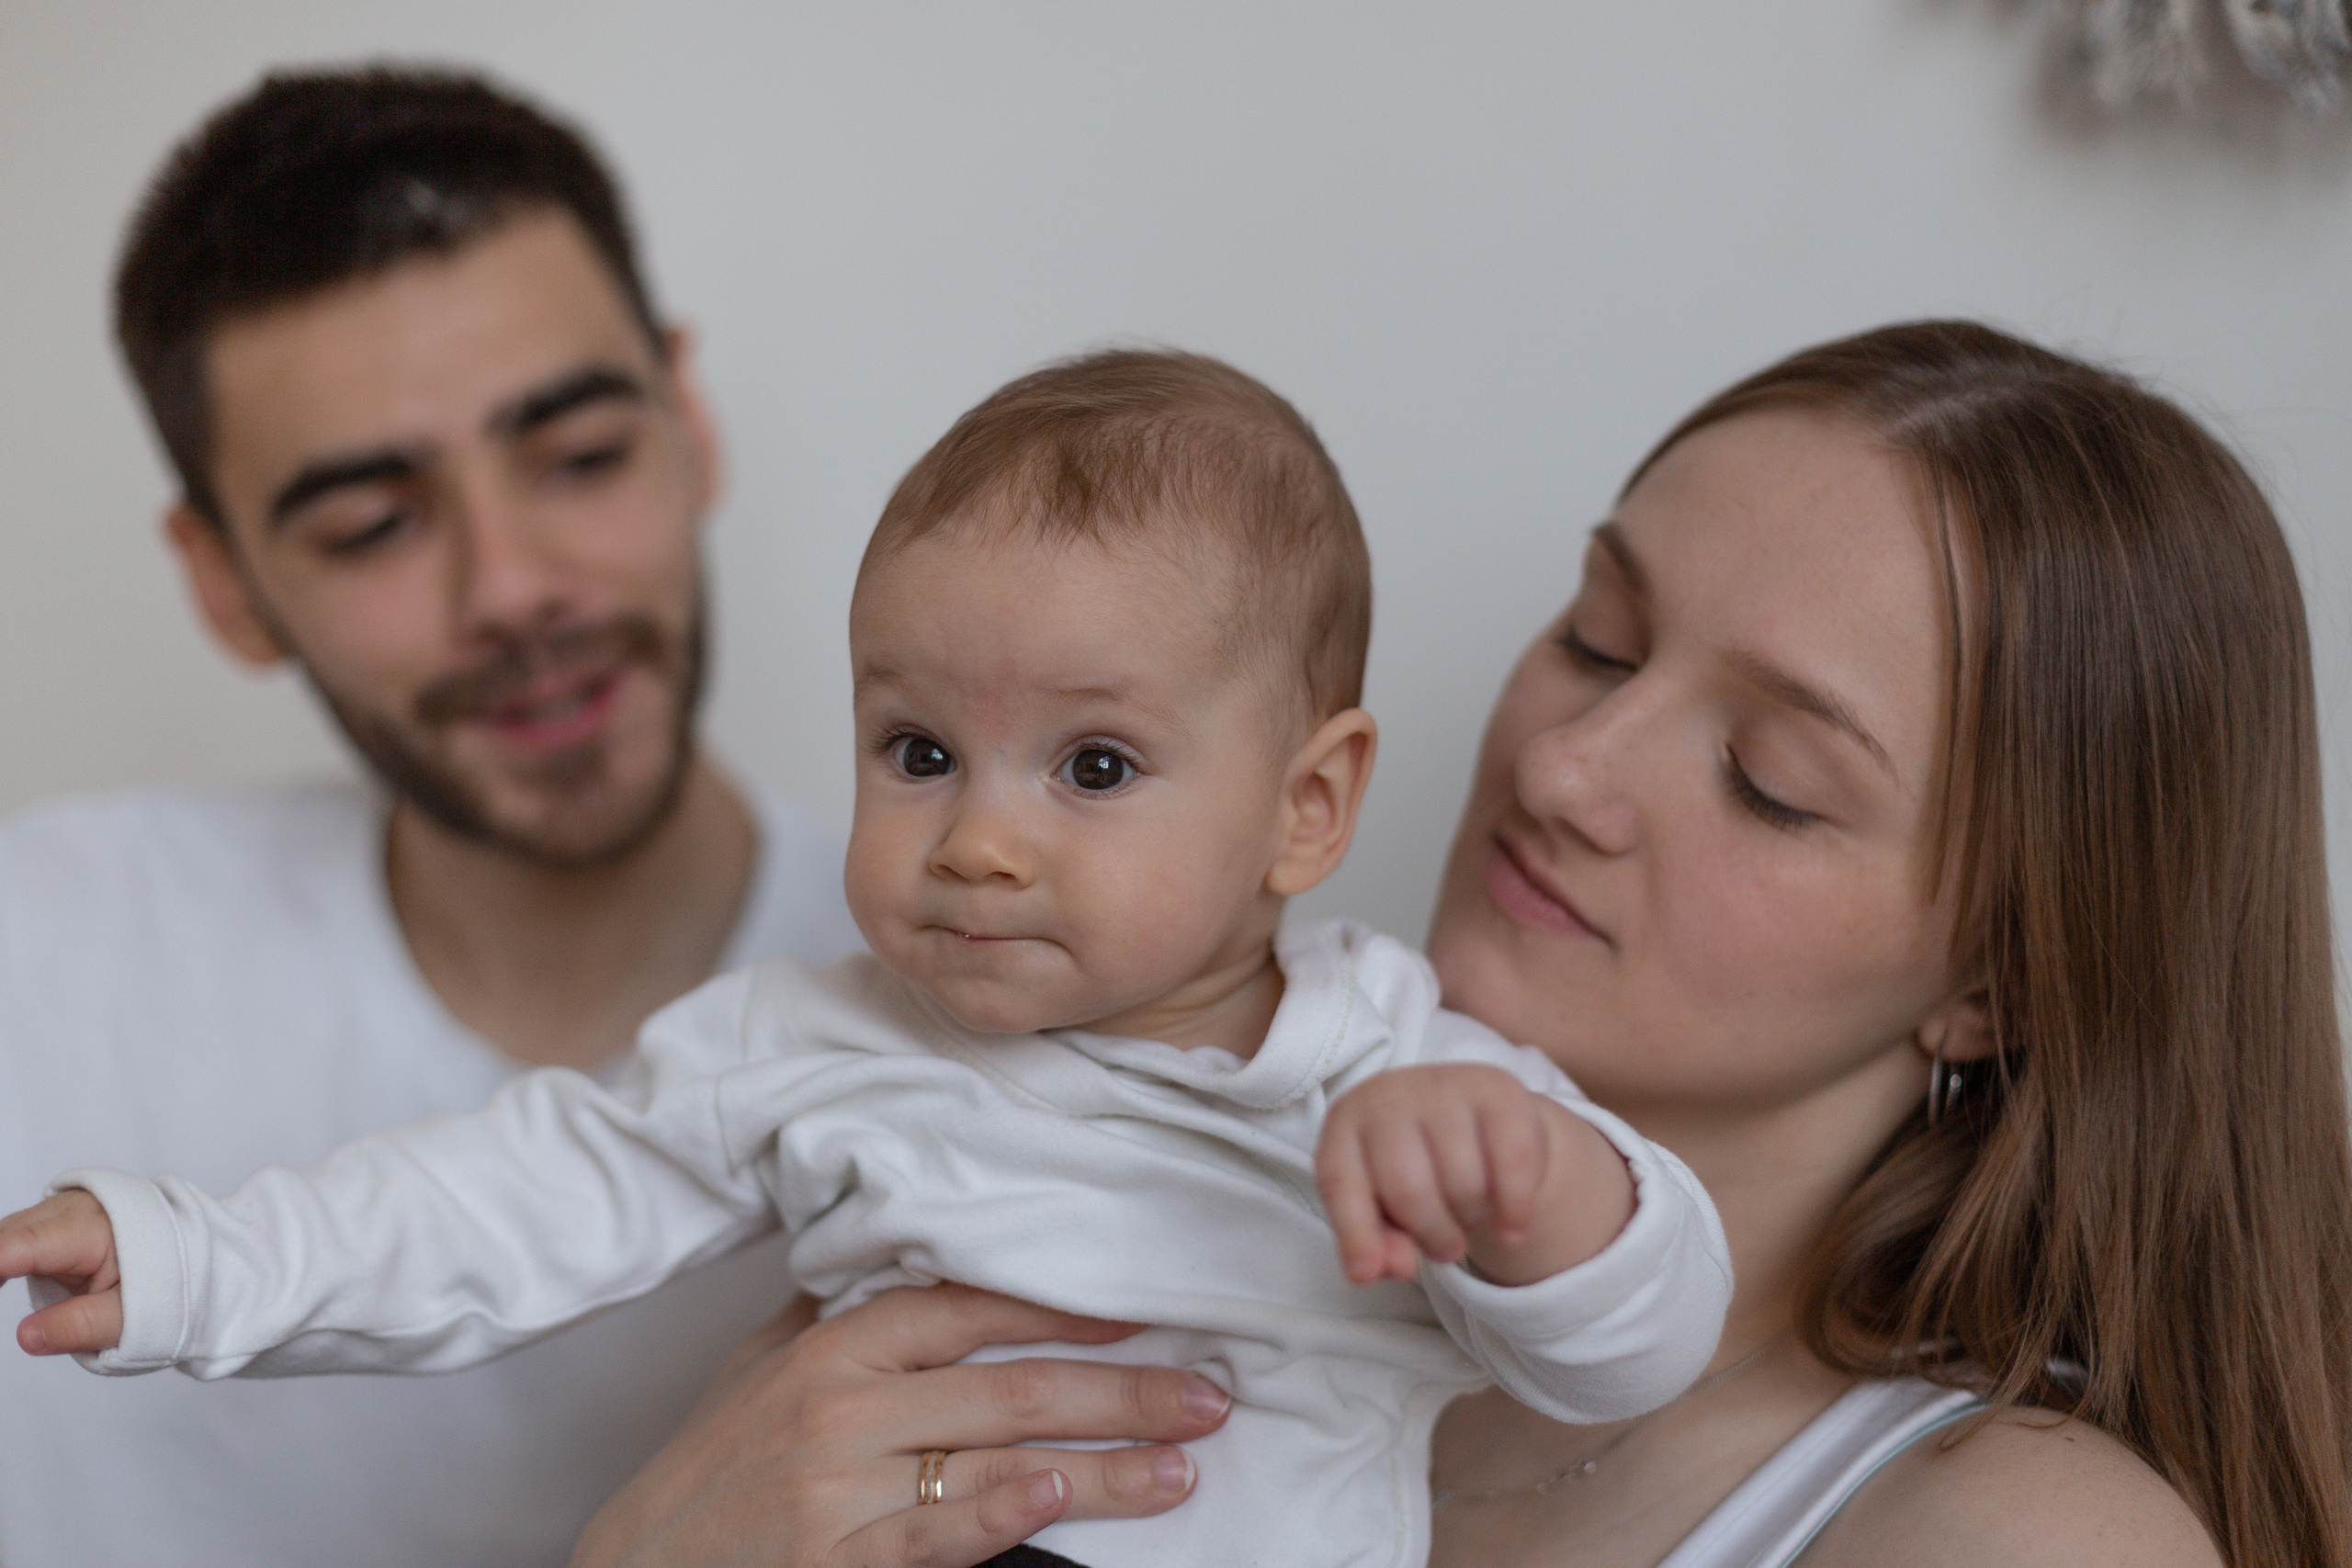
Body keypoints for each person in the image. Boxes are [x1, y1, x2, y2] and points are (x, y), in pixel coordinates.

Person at [561, 321, 2352, 1568]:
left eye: (1767, 778)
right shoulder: (1060, 1228)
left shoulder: (2013, 1531)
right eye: (1594, 634)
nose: (1562, 765)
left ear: (1999, 977)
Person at [3, 349, 1734, 1568]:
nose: (977, 838)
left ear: (1305, 808)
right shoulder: (802, 1043)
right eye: (916, 752)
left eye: (1095, 769)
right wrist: (192, 1264)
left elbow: (1636, 1354)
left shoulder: (1396, 1070)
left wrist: (1539, 1210)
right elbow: (485, 1211)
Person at [0, 67, 868, 1568]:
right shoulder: (40, 967)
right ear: (223, 580)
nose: (515, 586)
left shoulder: (1028, 1023)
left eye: (583, 455)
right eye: (373, 524)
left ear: (690, 421)